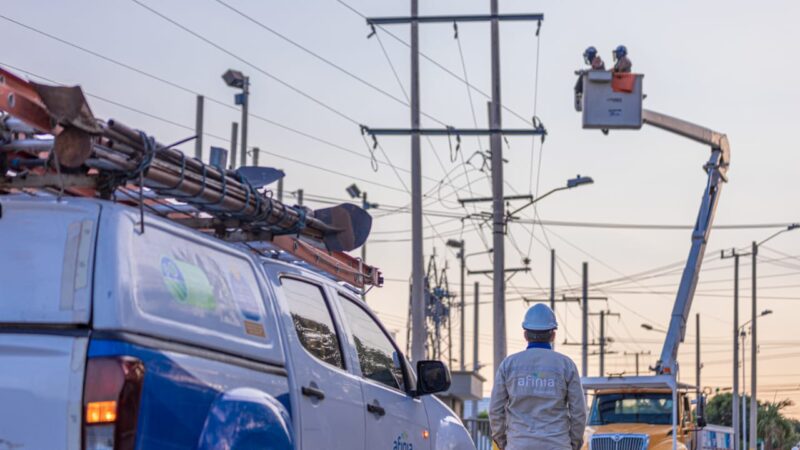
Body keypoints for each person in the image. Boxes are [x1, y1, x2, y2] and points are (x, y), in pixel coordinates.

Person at [489, 303, 586, 450]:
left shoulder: (508, 365)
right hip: (557, 445)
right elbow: (578, 412)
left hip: (518, 445)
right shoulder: (566, 365)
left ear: (525, 334)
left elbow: (495, 411)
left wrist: (504, 443)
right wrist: (572, 444)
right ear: (553, 335)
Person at [574, 46, 605, 111]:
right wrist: (583, 71)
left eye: (587, 55)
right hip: (597, 81)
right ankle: (579, 96)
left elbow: (596, 71)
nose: (587, 58)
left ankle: (578, 97)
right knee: (582, 76)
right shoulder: (596, 61)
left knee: (582, 78)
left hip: (599, 81)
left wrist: (584, 72)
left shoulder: (597, 61)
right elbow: (593, 70)